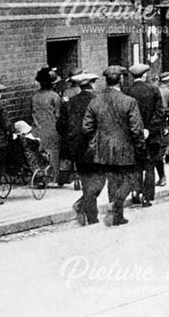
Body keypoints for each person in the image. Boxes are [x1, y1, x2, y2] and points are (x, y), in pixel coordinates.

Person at [81, 66, 145, 227]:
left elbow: (86, 128)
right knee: (130, 180)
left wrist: (100, 137)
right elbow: (136, 129)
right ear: (121, 80)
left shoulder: (95, 101)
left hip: (103, 150)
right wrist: (140, 147)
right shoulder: (129, 101)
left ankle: (117, 216)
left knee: (112, 181)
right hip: (125, 148)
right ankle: (116, 206)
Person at [59, 73, 97, 223]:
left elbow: (60, 126)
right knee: (97, 182)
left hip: (77, 149)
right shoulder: (97, 101)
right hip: (95, 147)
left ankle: (82, 206)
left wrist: (71, 140)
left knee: (88, 181)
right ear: (92, 84)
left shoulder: (69, 103)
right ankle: (91, 216)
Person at [126, 63, 166, 207]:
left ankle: (136, 193)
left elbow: (127, 115)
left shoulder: (127, 91)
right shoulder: (153, 90)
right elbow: (160, 112)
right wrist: (149, 129)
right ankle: (147, 197)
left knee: (136, 165)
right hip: (152, 136)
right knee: (149, 165)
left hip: (133, 135)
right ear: (144, 75)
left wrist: (136, 129)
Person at [31, 66, 66, 185]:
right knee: (54, 153)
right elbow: (58, 114)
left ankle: (40, 177)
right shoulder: (55, 96)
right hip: (52, 129)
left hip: (37, 129)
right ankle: (53, 178)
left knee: (40, 153)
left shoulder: (35, 96)